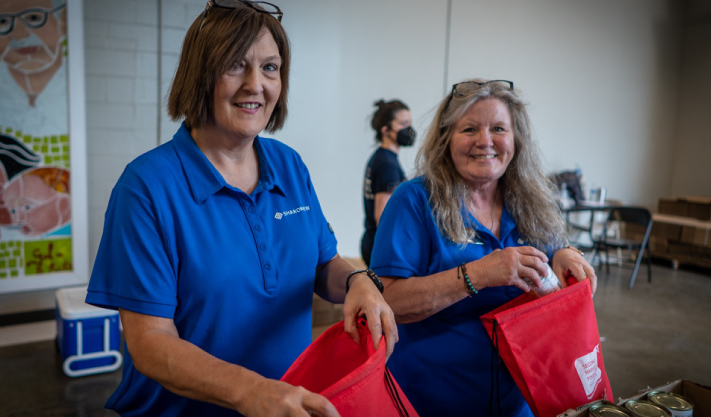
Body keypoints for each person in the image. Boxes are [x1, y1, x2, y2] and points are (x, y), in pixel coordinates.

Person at [85, 2, 397, 416]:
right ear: (201, 75)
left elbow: (323, 265)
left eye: (270, 67)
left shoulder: (289, 165)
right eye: (235, 65)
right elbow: (150, 342)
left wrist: (358, 281)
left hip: (290, 404)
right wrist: (250, 391)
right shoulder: (147, 187)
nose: (256, 85)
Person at [370, 79, 598, 417]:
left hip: (522, 399)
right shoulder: (414, 199)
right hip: (432, 399)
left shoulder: (530, 198)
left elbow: (554, 254)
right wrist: (479, 274)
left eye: (498, 128)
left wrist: (565, 252)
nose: (485, 141)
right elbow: (387, 302)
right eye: (469, 129)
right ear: (446, 138)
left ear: (516, 139)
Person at [360, 99, 415, 266]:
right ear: (386, 130)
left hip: (373, 243)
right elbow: (382, 218)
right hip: (381, 247)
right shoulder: (387, 165)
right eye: (403, 124)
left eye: (410, 123)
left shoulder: (381, 157)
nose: (409, 129)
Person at [0, 0, 67, 107]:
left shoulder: (76, 81)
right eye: (3, 22)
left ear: (62, 23)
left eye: (33, 18)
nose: (19, 35)